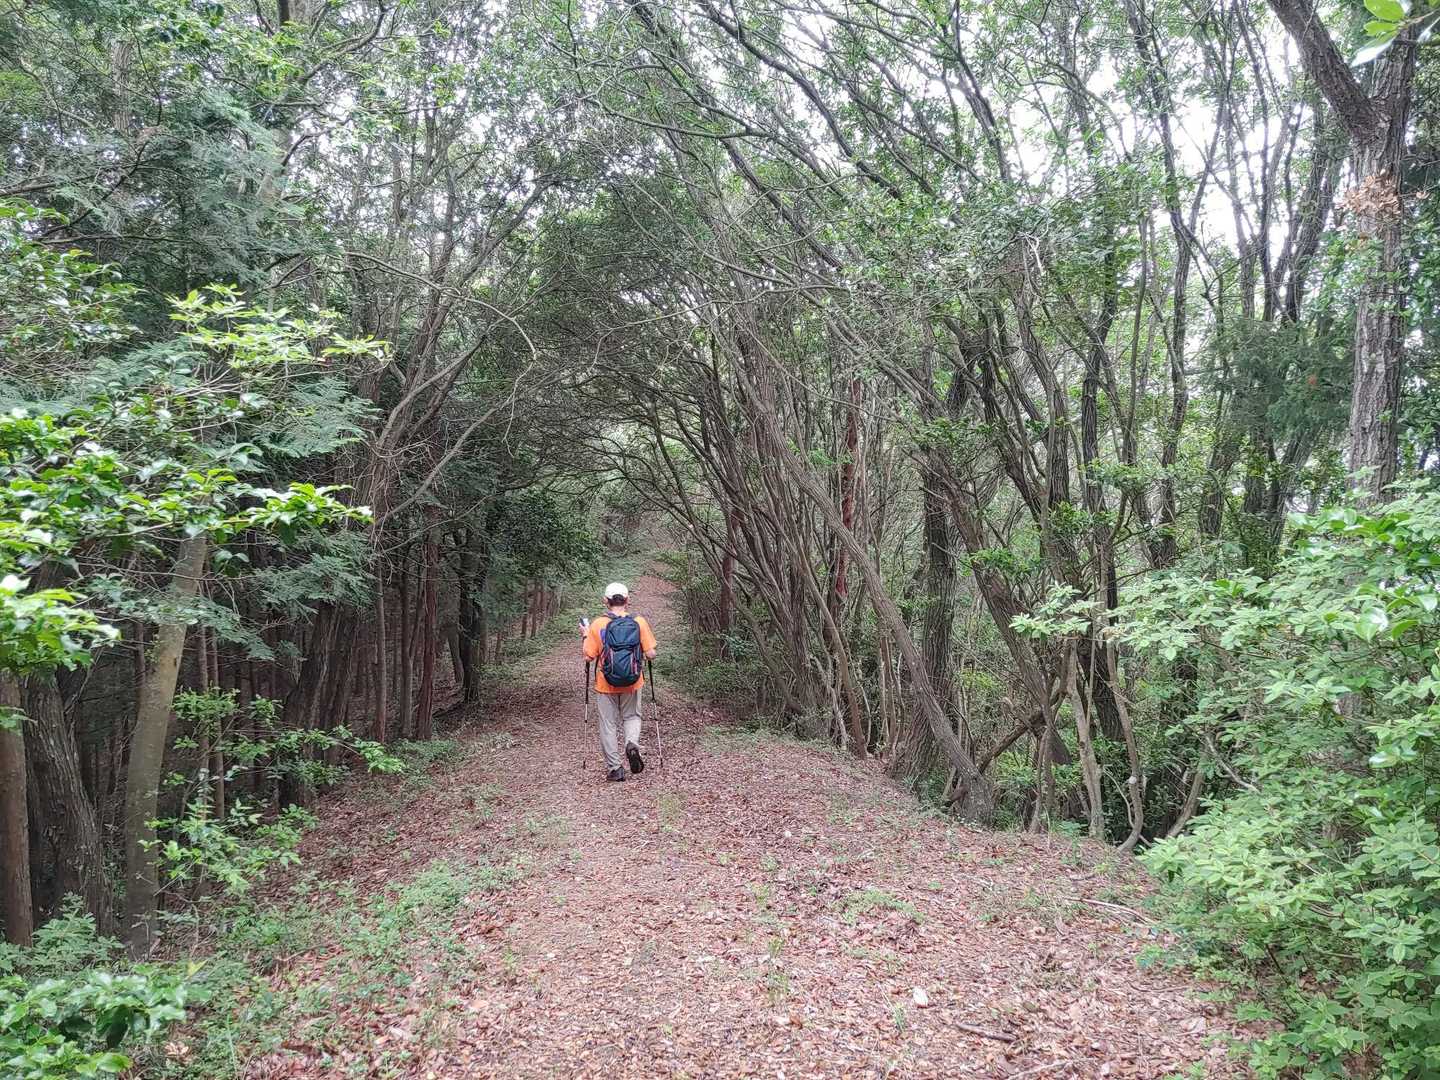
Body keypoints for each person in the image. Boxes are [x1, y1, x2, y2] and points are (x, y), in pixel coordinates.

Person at [582, 581, 658, 782]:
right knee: (632, 716)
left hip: (605, 683)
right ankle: (631, 744)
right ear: (627, 600)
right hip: (633, 681)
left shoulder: (598, 624)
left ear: (605, 601)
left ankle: (615, 769)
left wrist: (585, 635)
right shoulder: (638, 622)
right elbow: (651, 653)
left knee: (608, 724)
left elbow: (589, 656)